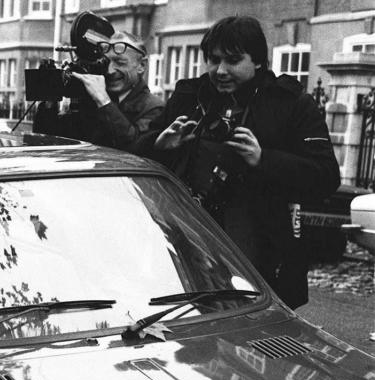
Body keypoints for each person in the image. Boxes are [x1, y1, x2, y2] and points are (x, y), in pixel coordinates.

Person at [136, 16, 340, 308]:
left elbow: (326, 177)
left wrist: (263, 159)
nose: (220, 71)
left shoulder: (290, 104)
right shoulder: (190, 97)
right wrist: (160, 145)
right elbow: (135, 152)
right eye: (213, 59)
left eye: (232, 60)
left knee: (253, 338)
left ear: (257, 61)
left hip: (259, 254)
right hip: (187, 246)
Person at [32, 31, 164, 150]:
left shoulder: (154, 108)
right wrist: (49, 103)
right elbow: (50, 140)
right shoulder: (91, 101)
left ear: (141, 65)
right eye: (106, 63)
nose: (109, 71)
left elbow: (135, 148)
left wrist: (104, 101)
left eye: (120, 62)